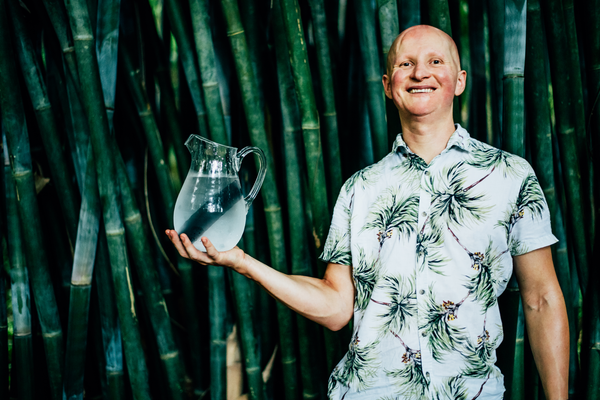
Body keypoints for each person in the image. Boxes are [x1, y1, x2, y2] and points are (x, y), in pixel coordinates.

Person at [166, 25, 569, 400]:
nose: (419, 73)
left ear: (459, 80)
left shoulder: (509, 176)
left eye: (435, 61)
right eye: (405, 64)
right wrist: (241, 262)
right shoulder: (360, 189)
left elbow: (542, 299)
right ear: (387, 86)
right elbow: (337, 308)